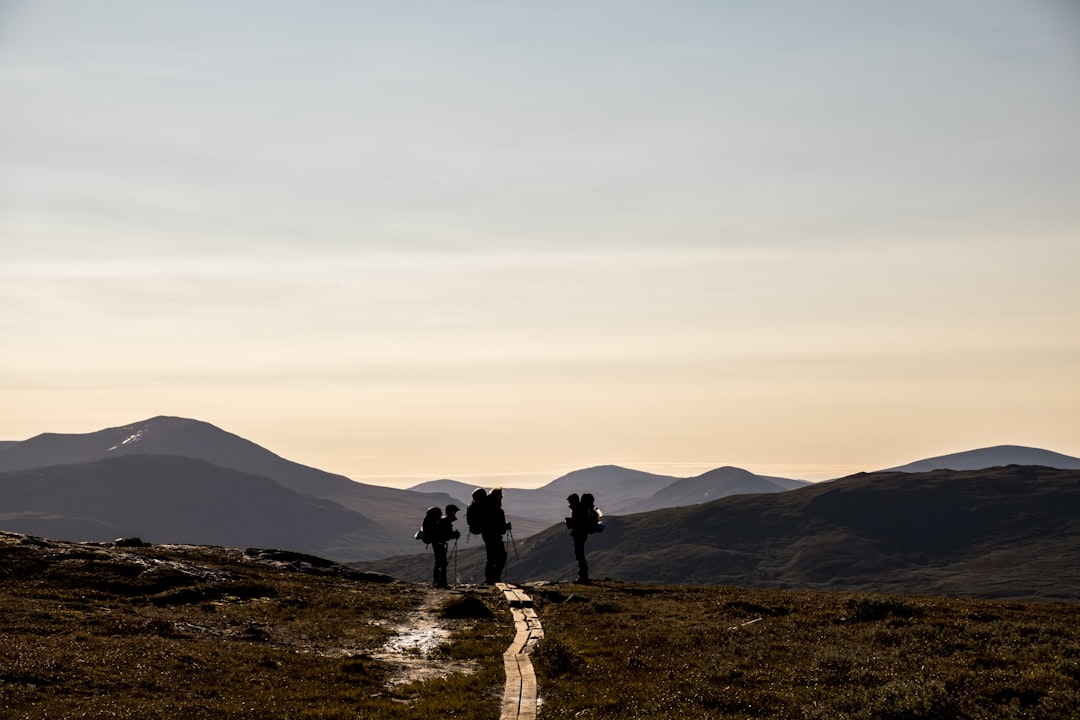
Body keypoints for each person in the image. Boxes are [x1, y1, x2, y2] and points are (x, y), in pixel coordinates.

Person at [566, 492, 600, 584]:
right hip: (582, 533)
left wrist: (571, 523)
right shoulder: (584, 509)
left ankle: (583, 577)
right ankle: (583, 576)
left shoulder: (579, 509)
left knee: (580, 555)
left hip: (579, 534)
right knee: (580, 555)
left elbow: (579, 523)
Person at [481, 487, 511, 584]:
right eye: (501, 496)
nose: (502, 497)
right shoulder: (497, 510)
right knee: (501, 556)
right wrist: (506, 526)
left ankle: (490, 578)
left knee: (491, 557)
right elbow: (501, 529)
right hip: (495, 537)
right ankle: (494, 578)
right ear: (497, 496)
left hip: (487, 535)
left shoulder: (485, 507)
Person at [431, 504, 461, 588]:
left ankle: (438, 582)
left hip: (437, 543)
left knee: (439, 563)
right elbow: (447, 535)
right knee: (442, 563)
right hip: (439, 544)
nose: (455, 513)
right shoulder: (446, 521)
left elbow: (445, 534)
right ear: (451, 512)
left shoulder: (443, 520)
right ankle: (441, 583)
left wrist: (453, 534)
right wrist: (454, 535)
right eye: (454, 512)